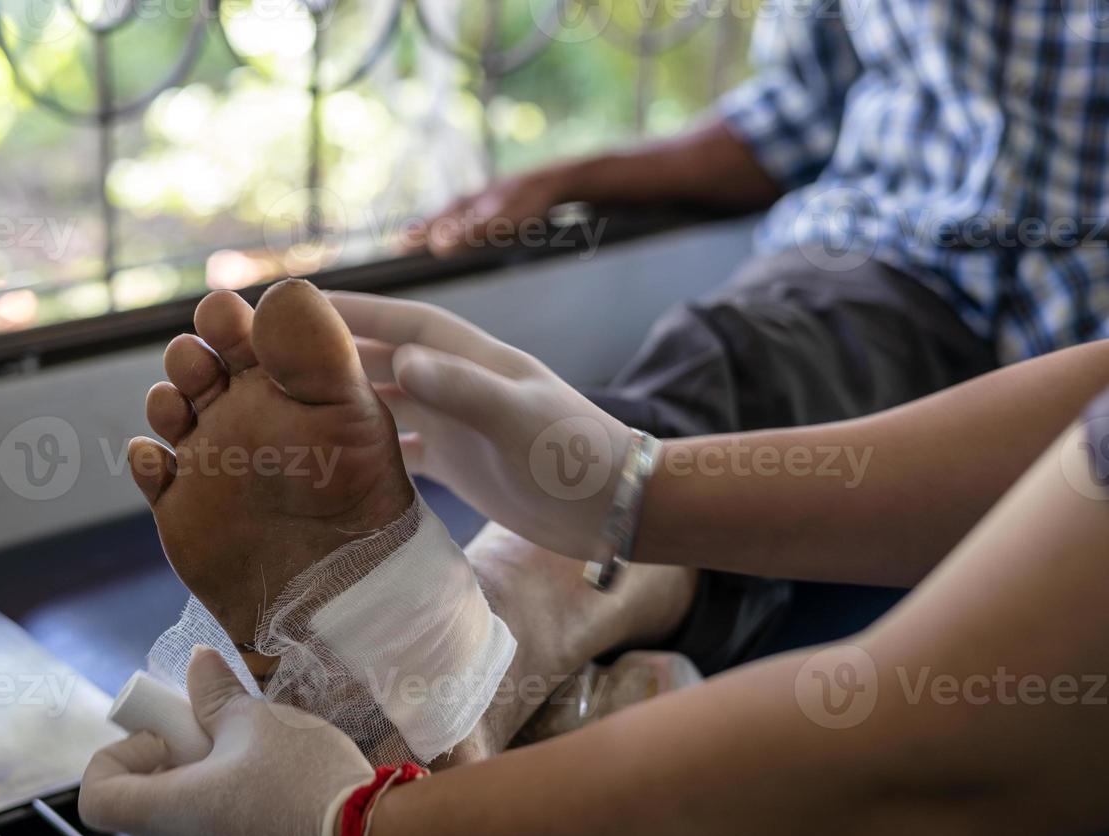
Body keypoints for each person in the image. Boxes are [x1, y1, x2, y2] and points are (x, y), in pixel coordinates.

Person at [80, 280, 1109, 836]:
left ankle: (495, 627)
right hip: (909, 287)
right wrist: (632, 483)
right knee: (752, 361)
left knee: (746, 358)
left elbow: (959, 760)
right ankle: (508, 614)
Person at [399, 0, 1109, 679]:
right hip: (889, 257)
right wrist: (568, 179)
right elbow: (793, 117)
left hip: (1090, 315)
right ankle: (502, 638)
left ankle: (500, 667)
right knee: (731, 364)